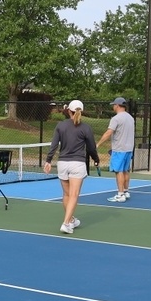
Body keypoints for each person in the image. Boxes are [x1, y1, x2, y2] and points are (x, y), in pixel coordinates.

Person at [44, 100, 100, 234]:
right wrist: (96, 159)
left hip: (62, 164)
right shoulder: (86, 128)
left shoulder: (60, 125)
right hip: (77, 164)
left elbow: (54, 145)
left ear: (69, 111)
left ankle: (71, 220)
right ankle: (66, 223)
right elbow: (91, 148)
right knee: (74, 195)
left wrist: (48, 160)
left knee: (67, 194)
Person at [95, 97, 135, 202]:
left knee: (119, 171)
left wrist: (98, 144)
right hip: (128, 148)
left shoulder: (116, 118)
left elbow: (109, 132)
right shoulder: (130, 118)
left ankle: (120, 194)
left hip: (119, 149)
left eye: (114, 105)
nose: (113, 106)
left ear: (117, 105)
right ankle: (126, 192)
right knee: (125, 170)